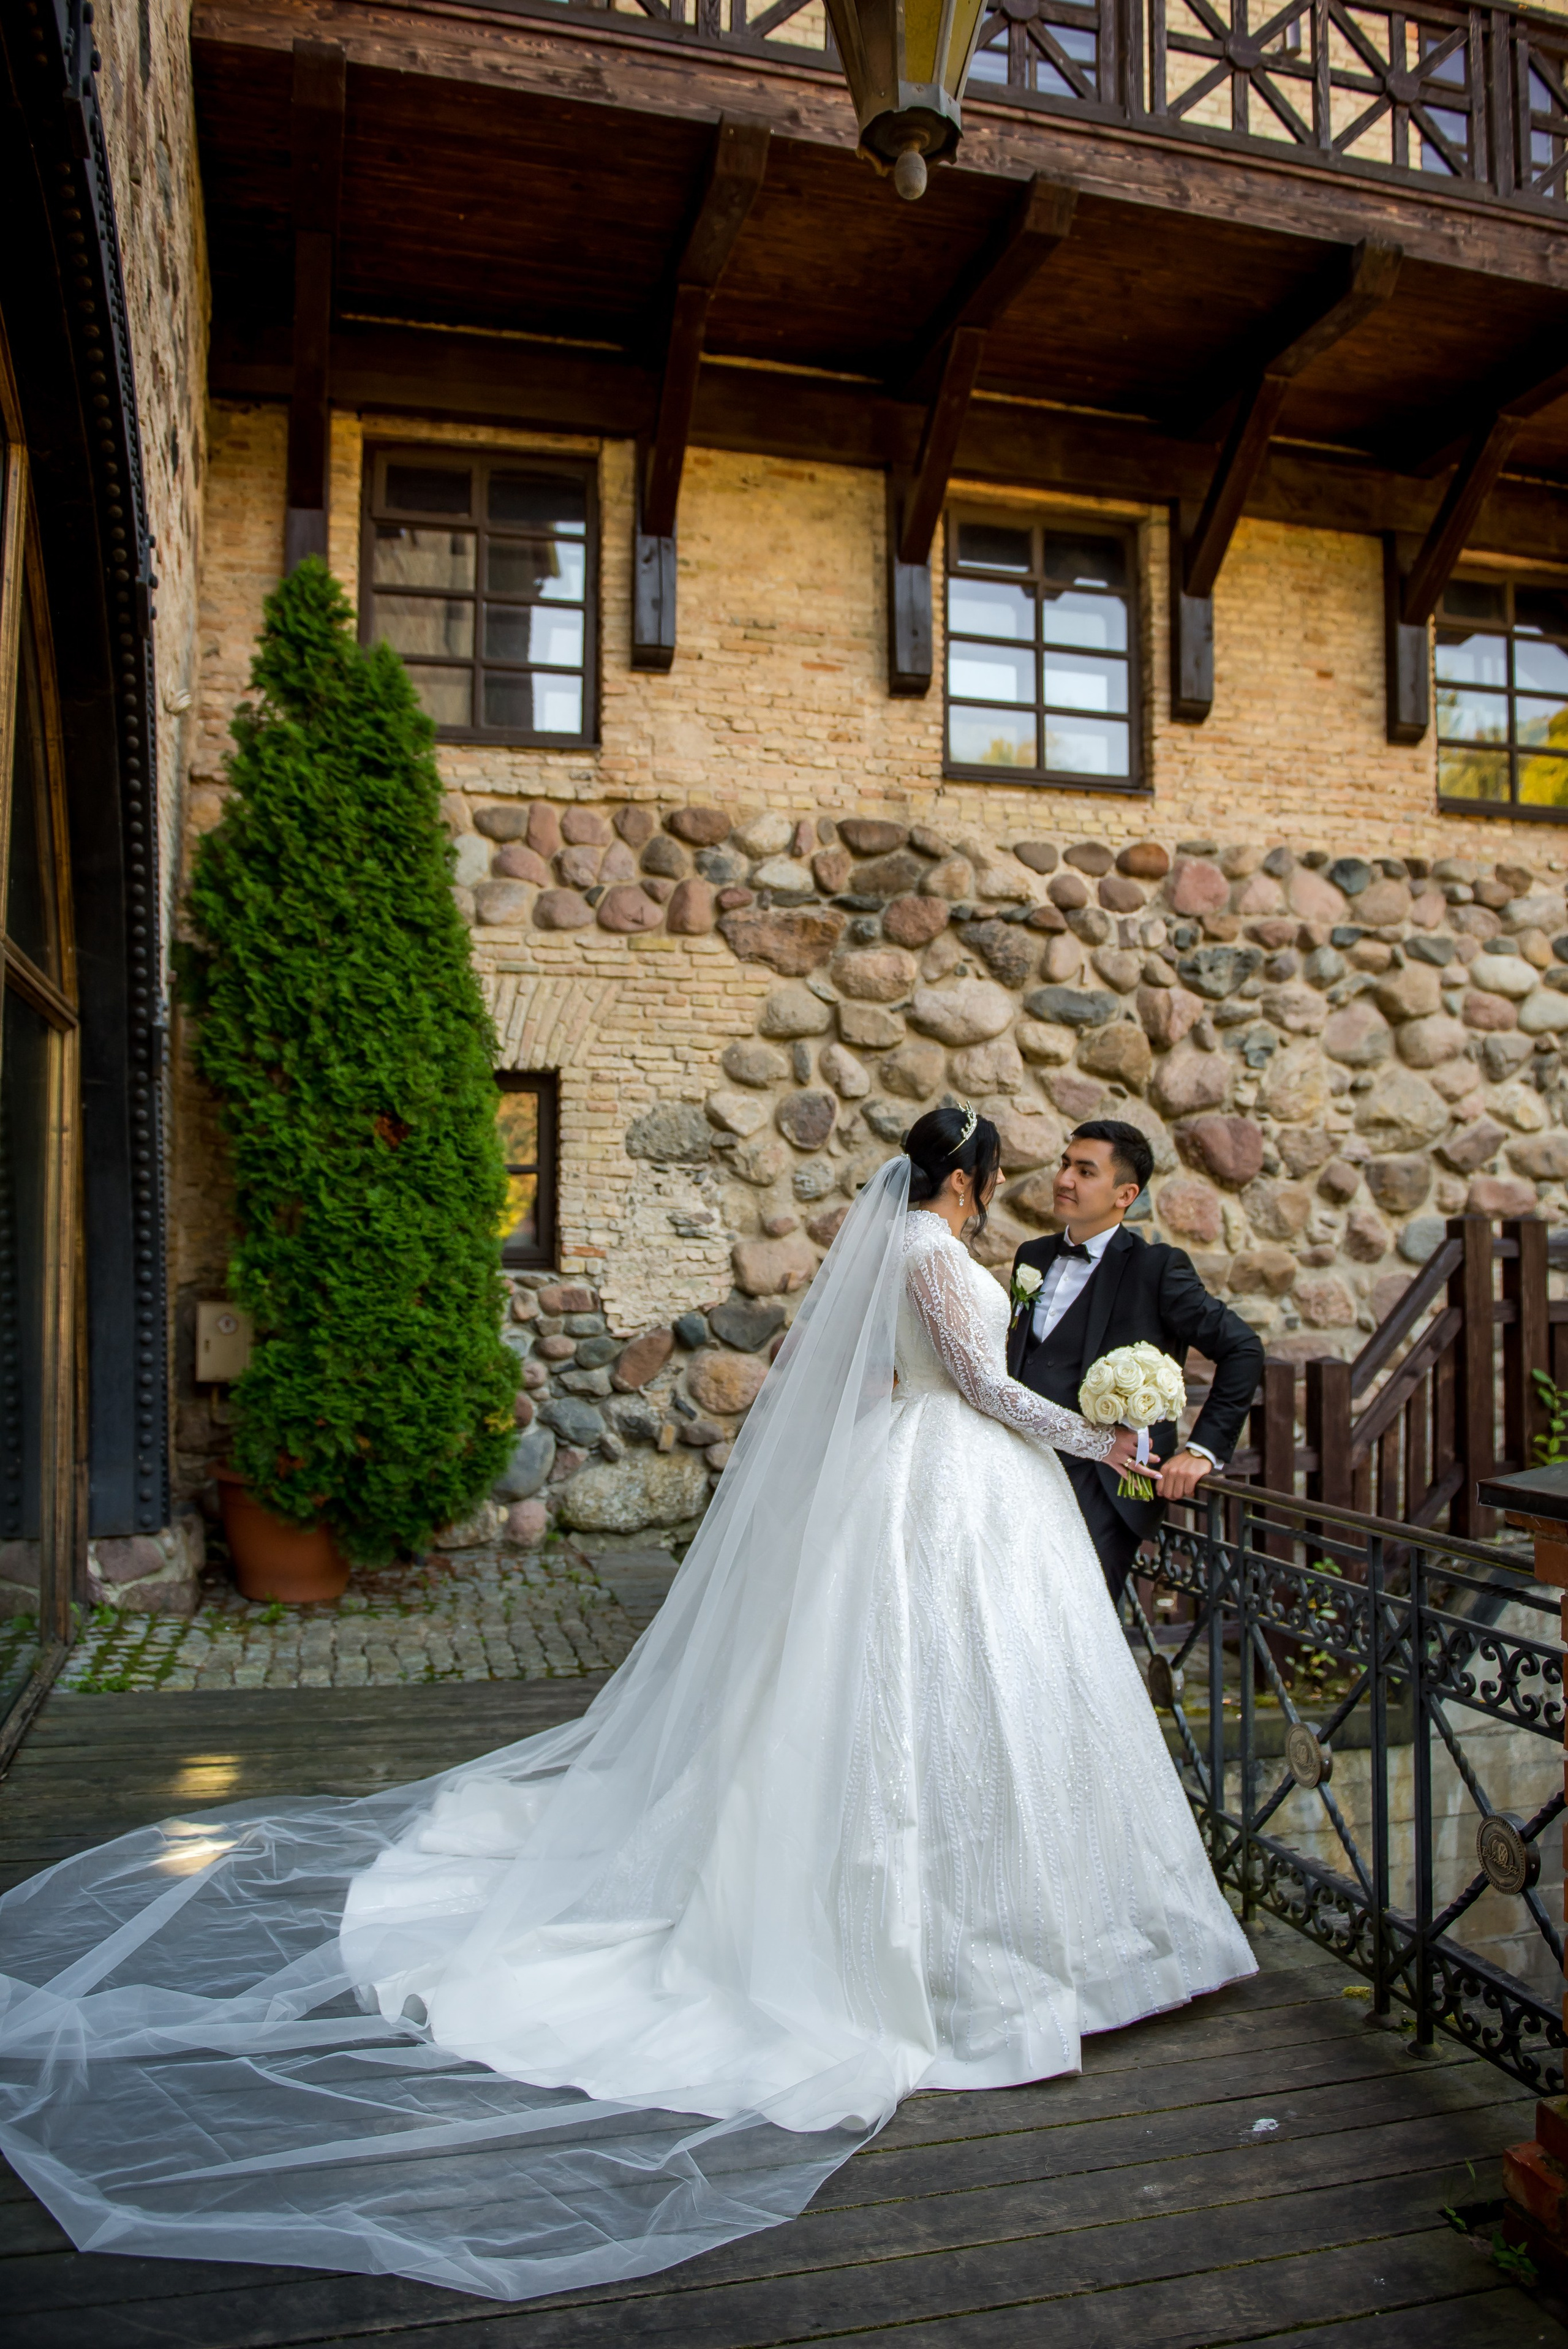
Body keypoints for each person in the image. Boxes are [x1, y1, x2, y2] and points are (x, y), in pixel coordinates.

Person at [0, 1106, 1254, 2305]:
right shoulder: (933, 1251)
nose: (1026, 1188)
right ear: (964, 1183)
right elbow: (978, 1385)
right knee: (912, 1697)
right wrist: (1105, 1446)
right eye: (1002, 1174)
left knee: (988, 1696)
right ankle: (958, 1949)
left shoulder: (945, 1247)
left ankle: (1069, 1932)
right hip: (954, 1477)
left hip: (963, 1486)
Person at [1008, 1119, 1265, 1606]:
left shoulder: (1157, 1268)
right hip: (1021, 1469)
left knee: (1075, 1623)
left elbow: (1243, 1348)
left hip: (1105, 1483)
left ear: (1125, 1193)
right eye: (1066, 1165)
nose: (1064, 1179)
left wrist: (1202, 1450)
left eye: (1086, 1171)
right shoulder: (1033, 1256)